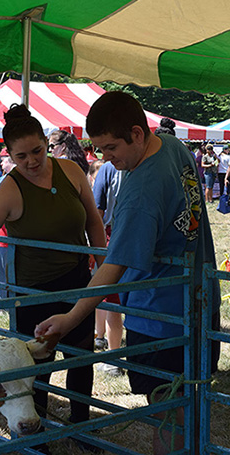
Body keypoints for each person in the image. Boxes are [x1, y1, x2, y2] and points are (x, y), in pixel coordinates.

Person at [33, 91, 220, 455]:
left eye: (111, 147)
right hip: (198, 305)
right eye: (99, 149)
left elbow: (115, 265)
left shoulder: (139, 192)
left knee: (167, 413)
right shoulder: (170, 145)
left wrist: (71, 317)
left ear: (137, 133)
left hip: (160, 320)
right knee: (189, 405)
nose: (106, 158)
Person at [0, 103, 106, 434]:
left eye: (37, 151)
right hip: (34, 291)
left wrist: (104, 266)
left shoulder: (72, 172)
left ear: (47, 144)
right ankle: (37, 430)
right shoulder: (9, 190)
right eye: (22, 156)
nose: (32, 161)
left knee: (82, 357)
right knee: (37, 365)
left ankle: (81, 426)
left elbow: (94, 221)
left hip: (78, 281)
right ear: (9, 155)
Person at [90, 158, 125, 376]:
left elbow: (97, 213)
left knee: (112, 301)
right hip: (146, 239)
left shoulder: (108, 169)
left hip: (114, 239)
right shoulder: (148, 163)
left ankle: (113, 359)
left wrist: (94, 249)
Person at [0, 149, 16, 299]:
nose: (1, 163)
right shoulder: (28, 181)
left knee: (1, 273)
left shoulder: (2, 183)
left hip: (3, 237)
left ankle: (3, 299)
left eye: (4, 160)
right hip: (16, 236)